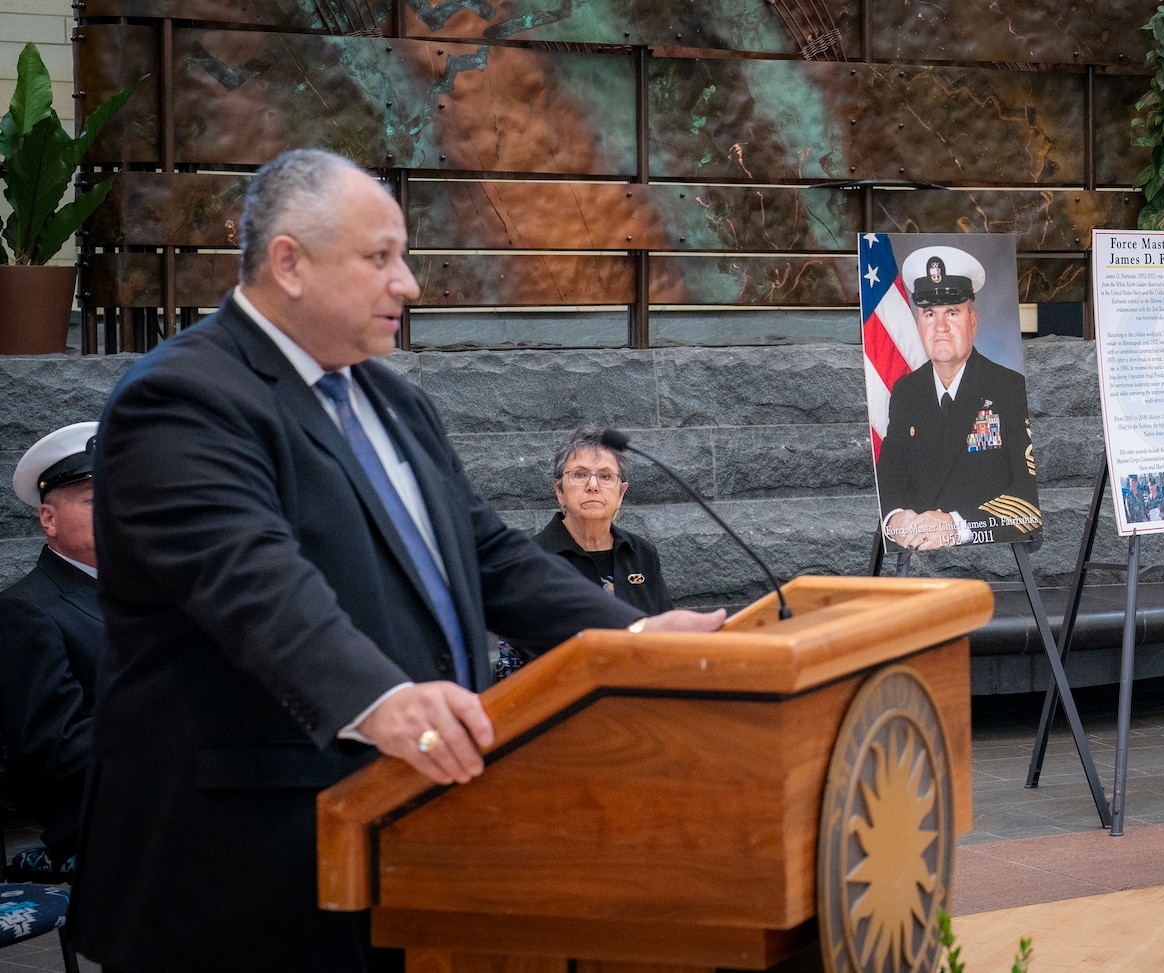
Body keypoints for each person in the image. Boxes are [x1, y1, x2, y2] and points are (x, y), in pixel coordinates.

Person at [70, 148, 724, 973]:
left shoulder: (391, 394)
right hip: (241, 868)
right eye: (380, 258)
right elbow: (255, 586)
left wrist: (630, 641)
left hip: (408, 834)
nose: (409, 282)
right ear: (289, 263)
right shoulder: (184, 398)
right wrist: (382, 698)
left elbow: (486, 556)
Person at [876, 245, 1041, 550]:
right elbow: (889, 476)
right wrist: (896, 518)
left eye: (952, 312)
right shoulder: (906, 392)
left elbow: (1029, 495)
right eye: (929, 314)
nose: (940, 327)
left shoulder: (1009, 388)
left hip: (987, 546)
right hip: (918, 545)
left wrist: (958, 524)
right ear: (918, 324)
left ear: (973, 321)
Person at [0, 422, 103, 868]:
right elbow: (54, 748)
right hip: (106, 818)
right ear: (48, 519)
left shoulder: (152, 592)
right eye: (97, 502)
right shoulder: (27, 611)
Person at [533, 425, 673, 618]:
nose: (592, 485)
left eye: (605, 476)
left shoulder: (642, 554)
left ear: (621, 493)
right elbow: (512, 644)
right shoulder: (532, 559)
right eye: (580, 474)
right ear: (559, 491)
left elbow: (664, 634)